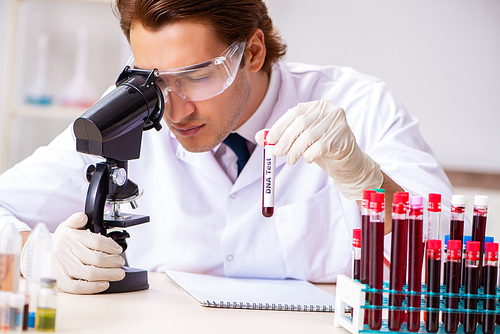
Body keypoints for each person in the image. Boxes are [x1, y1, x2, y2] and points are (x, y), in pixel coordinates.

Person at [0, 0, 455, 294]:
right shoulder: (127, 113)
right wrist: (32, 251)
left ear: (252, 52)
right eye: (154, 80)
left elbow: (448, 248)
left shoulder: (360, 102)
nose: (174, 111)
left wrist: (365, 179)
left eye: (197, 76)